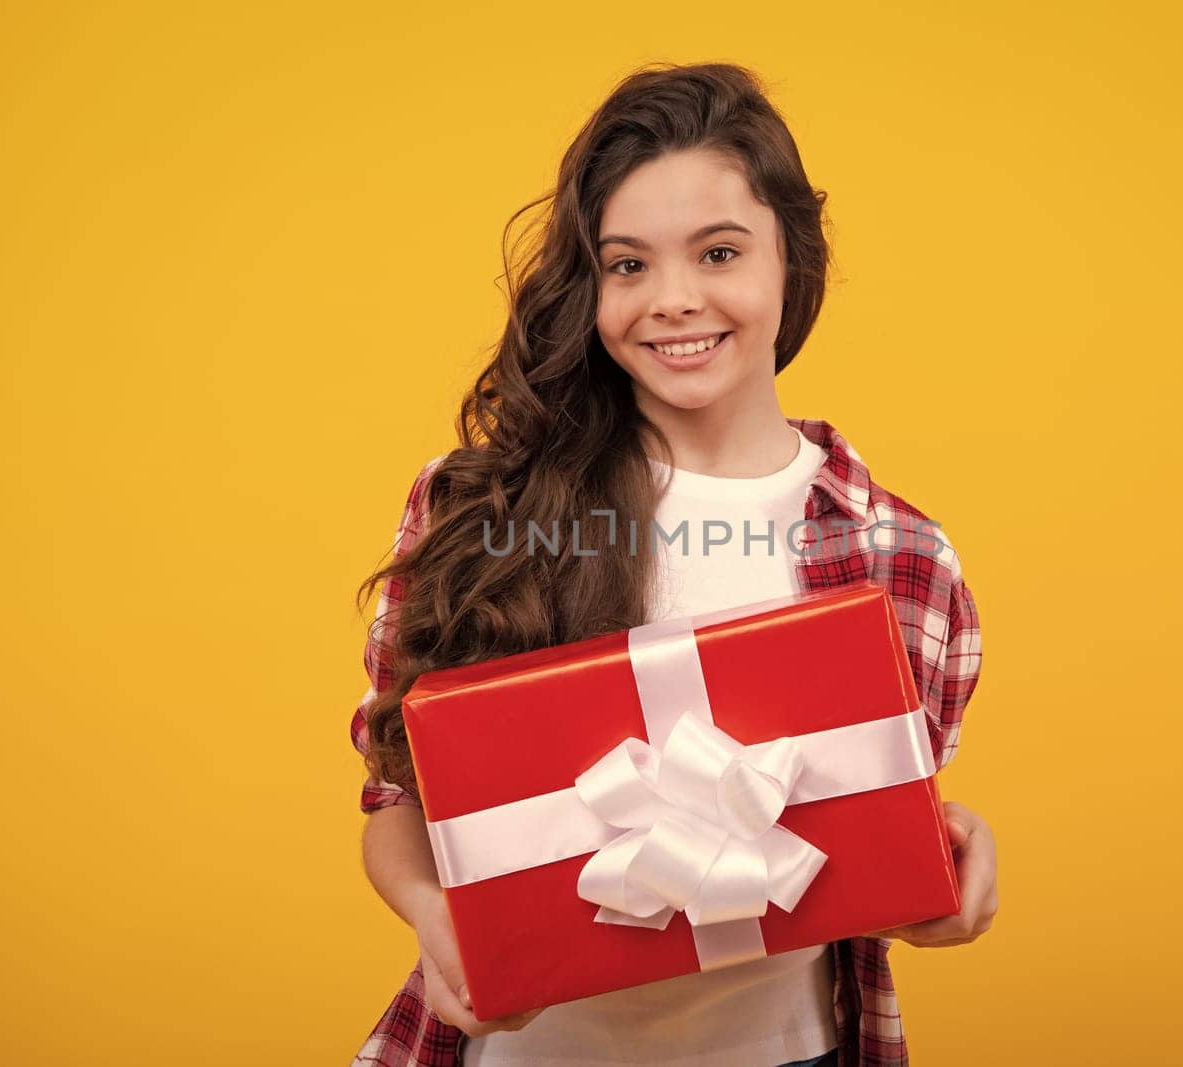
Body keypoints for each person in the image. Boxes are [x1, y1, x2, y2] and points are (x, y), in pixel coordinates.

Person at [349, 62, 995, 1067]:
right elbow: (397, 797)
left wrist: (951, 867)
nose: (674, 300)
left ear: (794, 260)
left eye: (719, 251)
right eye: (627, 265)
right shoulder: (478, 507)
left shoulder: (902, 559)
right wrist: (436, 918)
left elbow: (870, 835)